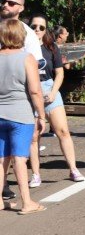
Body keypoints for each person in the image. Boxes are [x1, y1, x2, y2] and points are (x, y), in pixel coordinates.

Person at [27, 14, 84, 187]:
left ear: (46, 30)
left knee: (63, 131)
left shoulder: (51, 47)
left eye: (41, 27)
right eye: (34, 26)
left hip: (49, 88)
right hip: (29, 91)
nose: (37, 30)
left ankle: (73, 169)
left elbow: (60, 73)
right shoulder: (23, 47)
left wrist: (53, 93)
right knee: (34, 137)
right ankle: (36, 174)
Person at [0, 19, 47, 214]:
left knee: (1, 158)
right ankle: (27, 202)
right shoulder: (27, 58)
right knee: (20, 158)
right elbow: (35, 91)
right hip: (21, 114)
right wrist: (41, 115)